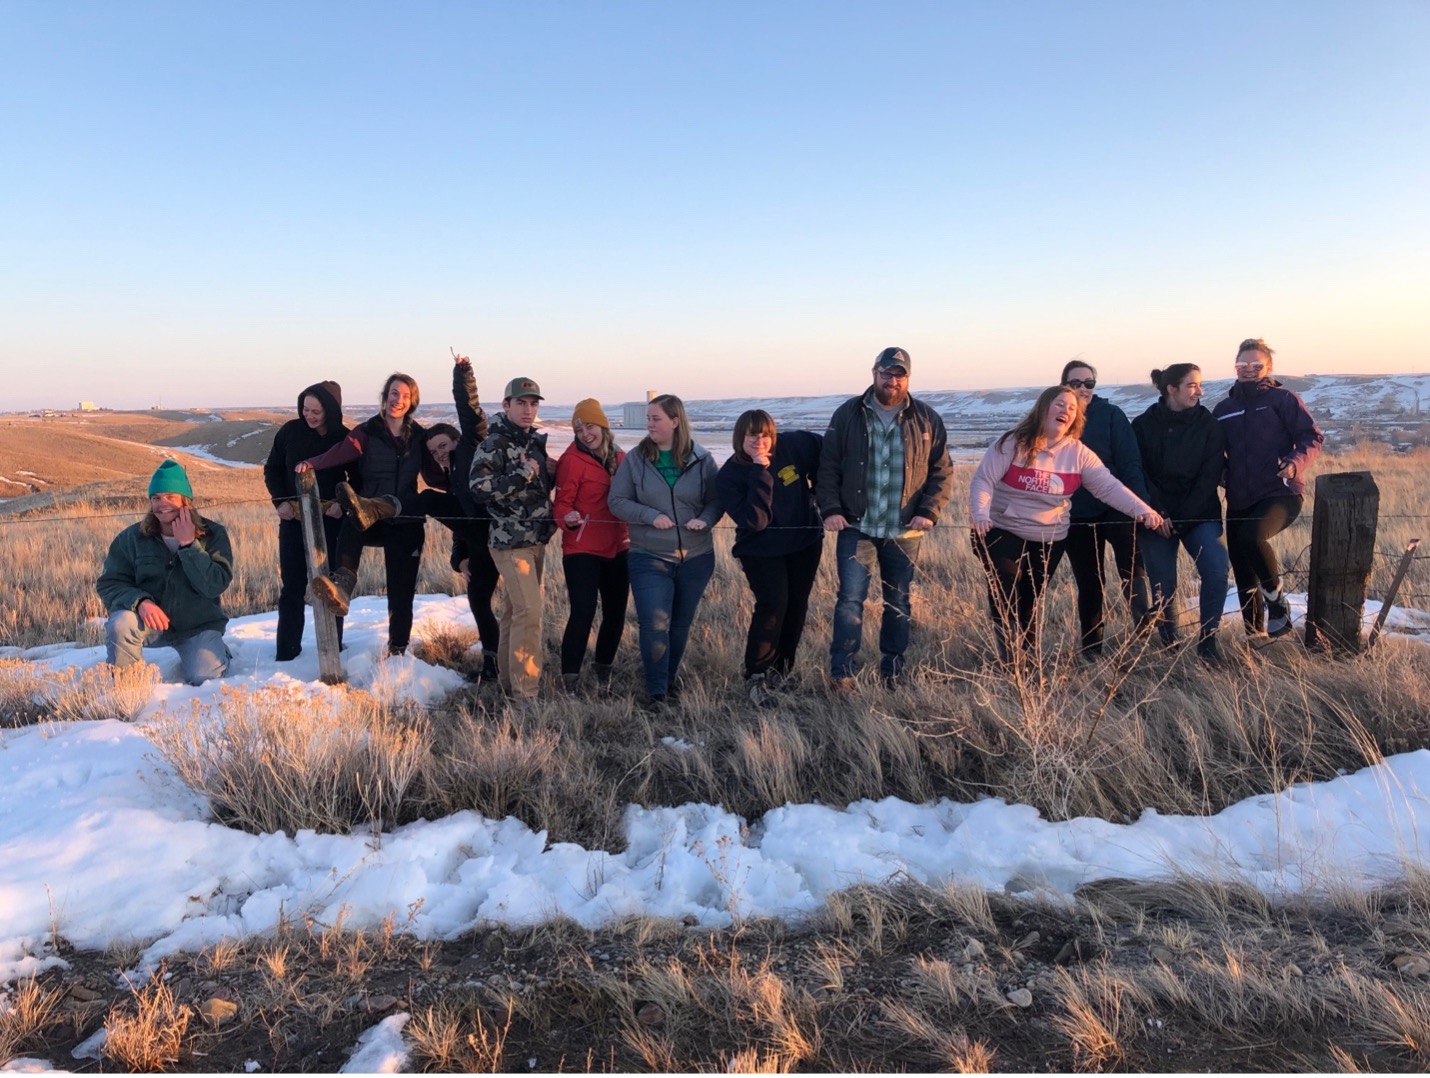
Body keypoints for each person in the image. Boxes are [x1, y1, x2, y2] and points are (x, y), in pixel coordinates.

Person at [969, 386, 1163, 659]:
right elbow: (983, 480)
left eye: (1072, 408)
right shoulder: (1013, 443)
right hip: (1003, 527)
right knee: (1006, 587)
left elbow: (1108, 487)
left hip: (1049, 536)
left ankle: (1026, 659)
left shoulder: (1078, 453)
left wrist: (1142, 510)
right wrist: (980, 513)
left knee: (1029, 599)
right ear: (1043, 407)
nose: (1066, 411)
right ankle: (1009, 657)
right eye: (1060, 404)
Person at [815, 346, 953, 687]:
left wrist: (928, 512)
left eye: (899, 374)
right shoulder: (848, 413)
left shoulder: (927, 418)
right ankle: (842, 674)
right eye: (887, 372)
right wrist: (831, 509)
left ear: (908, 377)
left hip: (905, 530)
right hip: (855, 525)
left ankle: (893, 671)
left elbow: (942, 471)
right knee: (849, 600)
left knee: (899, 600)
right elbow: (828, 466)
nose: (892, 380)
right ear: (874, 372)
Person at [300, 372, 429, 656]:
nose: (398, 400)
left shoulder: (419, 436)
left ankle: (397, 650)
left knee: (401, 591)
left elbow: (433, 474)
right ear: (385, 397)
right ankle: (343, 586)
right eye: (394, 393)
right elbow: (340, 452)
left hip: (406, 520)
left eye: (405, 396)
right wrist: (313, 463)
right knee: (352, 517)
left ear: (412, 403)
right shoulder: (367, 431)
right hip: (370, 518)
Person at [608, 394, 723, 705]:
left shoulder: (702, 459)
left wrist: (705, 519)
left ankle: (668, 681)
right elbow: (617, 501)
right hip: (649, 555)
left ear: (675, 421)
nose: (649, 424)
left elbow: (716, 500)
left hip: (696, 558)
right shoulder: (635, 459)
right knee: (654, 623)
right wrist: (650, 516)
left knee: (679, 624)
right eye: (648, 418)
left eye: (655, 418)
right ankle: (656, 691)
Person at [1212, 338, 1324, 637]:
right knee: (1241, 566)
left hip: (1280, 491)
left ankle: (1277, 604)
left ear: (1268, 367)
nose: (1249, 370)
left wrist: (1294, 462)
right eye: (1242, 365)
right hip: (1239, 497)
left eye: (1256, 365)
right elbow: (1212, 451)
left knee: (1252, 535)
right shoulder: (1223, 409)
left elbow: (1311, 436)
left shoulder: (1283, 399)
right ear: (1235, 368)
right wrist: (1222, 472)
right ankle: (1254, 636)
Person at [717, 410, 823, 708]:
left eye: (765, 435)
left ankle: (782, 671)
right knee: (773, 605)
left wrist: (818, 489)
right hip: (760, 549)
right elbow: (757, 521)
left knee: (797, 605)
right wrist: (760, 471)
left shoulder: (794, 445)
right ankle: (756, 676)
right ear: (740, 437)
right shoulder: (729, 476)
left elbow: (828, 451)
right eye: (752, 435)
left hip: (804, 542)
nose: (759, 441)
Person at [1049, 360, 1153, 657]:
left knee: (1133, 571)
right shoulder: (1056, 417)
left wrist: (1140, 506)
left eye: (1089, 383)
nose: (1083, 389)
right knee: (1090, 581)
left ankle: (1144, 634)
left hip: (1115, 507)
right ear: (1064, 386)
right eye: (1075, 383)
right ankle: (1092, 649)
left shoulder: (1111, 415)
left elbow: (1130, 462)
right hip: (1075, 513)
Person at [97, 460, 233, 685]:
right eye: (156, 498)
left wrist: (189, 545)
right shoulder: (131, 538)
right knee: (121, 622)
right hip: (149, 624)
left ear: (185, 500)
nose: (162, 504)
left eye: (170, 496)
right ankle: (127, 687)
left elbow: (215, 585)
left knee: (204, 678)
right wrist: (140, 601)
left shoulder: (213, 535)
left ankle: (218, 651)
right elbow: (110, 583)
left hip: (197, 626)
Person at [409, 356, 500, 682]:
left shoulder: (473, 445)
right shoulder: (451, 477)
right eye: (433, 452)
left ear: (457, 440)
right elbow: (458, 522)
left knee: (427, 499)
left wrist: (463, 374)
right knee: (478, 601)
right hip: (478, 540)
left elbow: (470, 411)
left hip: (495, 531)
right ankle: (492, 665)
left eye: (443, 446)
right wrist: (458, 559)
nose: (439, 453)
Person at [1132, 364, 1231, 663]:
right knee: (1163, 583)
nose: (1199, 391)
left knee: (1216, 570)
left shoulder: (1210, 426)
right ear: (1170, 389)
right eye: (1192, 385)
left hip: (1199, 514)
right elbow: (1140, 474)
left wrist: (1183, 519)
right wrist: (1158, 513)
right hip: (1154, 516)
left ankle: (1209, 640)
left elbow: (1208, 477)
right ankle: (1169, 643)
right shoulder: (1142, 425)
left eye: (1200, 385)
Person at [469, 376, 556, 701]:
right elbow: (479, 489)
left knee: (514, 613)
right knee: (529, 613)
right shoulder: (494, 443)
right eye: (521, 403)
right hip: (510, 542)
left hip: (535, 539)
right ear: (506, 405)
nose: (528, 409)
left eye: (533, 403)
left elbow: (535, 487)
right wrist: (525, 473)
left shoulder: (532, 441)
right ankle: (525, 694)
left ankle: (509, 684)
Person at [262, 380, 353, 662]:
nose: (309, 416)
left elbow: (358, 480)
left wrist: (343, 503)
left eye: (316, 411)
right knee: (292, 586)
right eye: (306, 409)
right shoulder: (290, 432)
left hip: (332, 522)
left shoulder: (345, 439)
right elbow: (273, 469)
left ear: (331, 411)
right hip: (293, 520)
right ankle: (287, 653)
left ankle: (333, 647)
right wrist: (280, 502)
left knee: (330, 587)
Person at [552, 399, 629, 696]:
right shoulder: (571, 460)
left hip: (618, 546)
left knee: (615, 613)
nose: (585, 433)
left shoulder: (621, 458)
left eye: (590, 426)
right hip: (581, 548)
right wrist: (567, 518)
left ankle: (602, 674)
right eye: (579, 429)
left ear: (603, 426)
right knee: (583, 613)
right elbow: (561, 503)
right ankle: (569, 681)